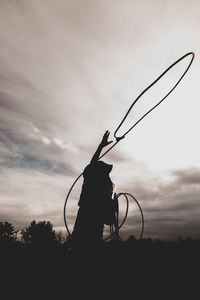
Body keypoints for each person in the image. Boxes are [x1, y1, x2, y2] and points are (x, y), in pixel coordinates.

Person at [71, 131, 114, 249]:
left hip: (88, 220)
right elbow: (93, 164)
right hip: (92, 222)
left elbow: (109, 218)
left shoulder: (96, 185)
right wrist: (100, 146)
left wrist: (101, 145)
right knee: (88, 248)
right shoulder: (93, 180)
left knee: (80, 247)